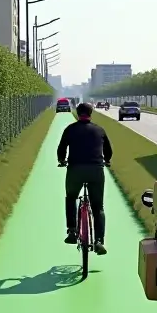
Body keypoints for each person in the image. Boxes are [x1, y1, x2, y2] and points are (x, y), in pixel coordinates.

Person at [57, 102, 111, 254]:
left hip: (75, 170)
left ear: (77, 112)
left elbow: (61, 148)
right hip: (96, 171)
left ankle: (72, 231)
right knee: (98, 207)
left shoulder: (70, 129)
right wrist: (106, 160)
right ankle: (99, 241)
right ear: (91, 113)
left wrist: (62, 160)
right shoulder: (99, 130)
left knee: (71, 197)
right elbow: (108, 150)